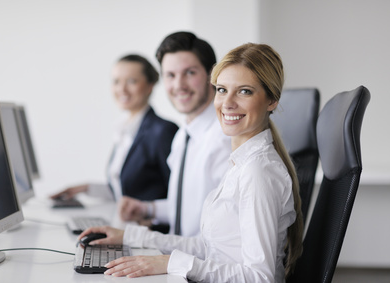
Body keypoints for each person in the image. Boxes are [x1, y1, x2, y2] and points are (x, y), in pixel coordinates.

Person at [78, 43, 304, 282]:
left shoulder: (258, 172)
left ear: (272, 100)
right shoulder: (241, 162)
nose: (227, 103)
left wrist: (172, 262)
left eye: (244, 91)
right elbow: (213, 248)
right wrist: (131, 237)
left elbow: (261, 277)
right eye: (222, 90)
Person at [119, 31, 232, 236]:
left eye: (190, 73)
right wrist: (147, 209)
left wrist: (140, 240)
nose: (179, 85)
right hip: (177, 256)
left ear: (212, 74)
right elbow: (189, 208)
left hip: (197, 263)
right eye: (170, 75)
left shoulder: (225, 139)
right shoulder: (184, 136)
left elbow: (221, 236)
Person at [51, 54, 178, 202]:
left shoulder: (163, 131)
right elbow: (123, 191)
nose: (122, 89)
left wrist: (150, 212)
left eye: (131, 81)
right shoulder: (124, 128)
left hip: (149, 225)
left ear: (150, 86)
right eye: (116, 81)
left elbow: (177, 197)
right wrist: (84, 188)